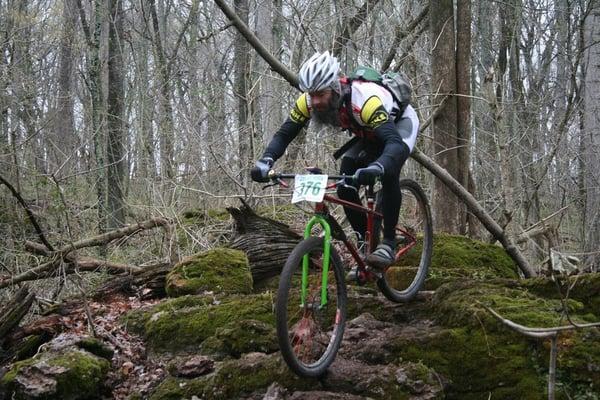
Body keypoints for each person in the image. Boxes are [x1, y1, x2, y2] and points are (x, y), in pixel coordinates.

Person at [251, 51, 419, 269]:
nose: (316, 101)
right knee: (346, 183)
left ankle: (387, 244)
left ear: (335, 87)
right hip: (366, 133)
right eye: (311, 95)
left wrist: (378, 166)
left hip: (398, 127)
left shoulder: (365, 100)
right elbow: (285, 134)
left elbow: (393, 143)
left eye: (320, 94)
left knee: (389, 172)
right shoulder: (308, 101)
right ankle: (364, 242)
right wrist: (266, 161)